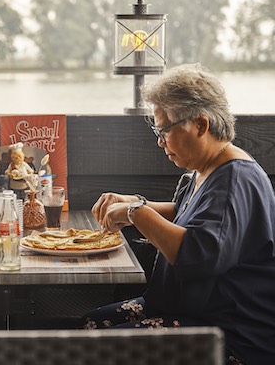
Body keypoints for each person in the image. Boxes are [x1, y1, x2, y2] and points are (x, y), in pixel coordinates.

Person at [86, 64, 275, 365]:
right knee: (90, 326)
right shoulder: (205, 169)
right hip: (189, 310)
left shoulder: (235, 178)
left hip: (228, 333)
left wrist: (136, 213)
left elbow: (197, 255)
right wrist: (136, 201)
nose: (160, 142)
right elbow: (186, 212)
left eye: (164, 131)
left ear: (200, 124)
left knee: (101, 348)